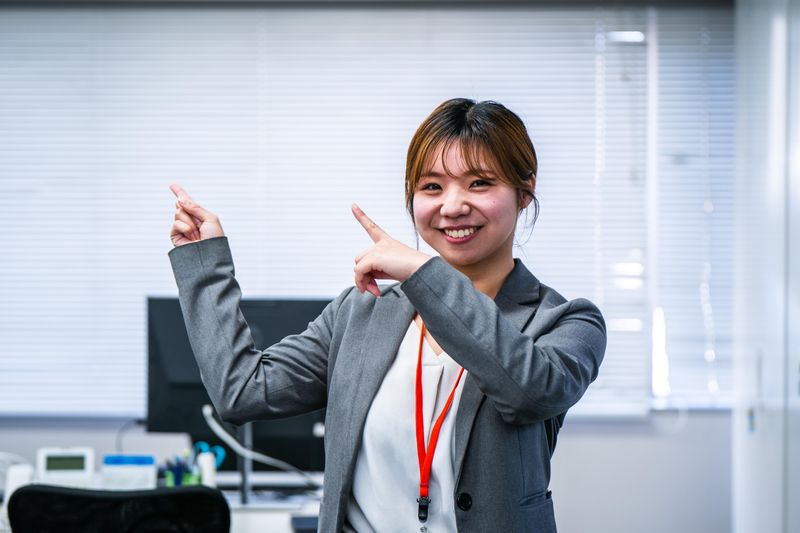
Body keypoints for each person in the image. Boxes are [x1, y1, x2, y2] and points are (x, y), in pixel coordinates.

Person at [168, 98, 606, 533]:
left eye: (479, 183)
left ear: (525, 190)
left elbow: (528, 391)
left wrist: (423, 272)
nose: (452, 206)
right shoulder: (360, 313)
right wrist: (204, 267)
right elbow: (241, 391)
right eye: (431, 187)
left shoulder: (566, 323)